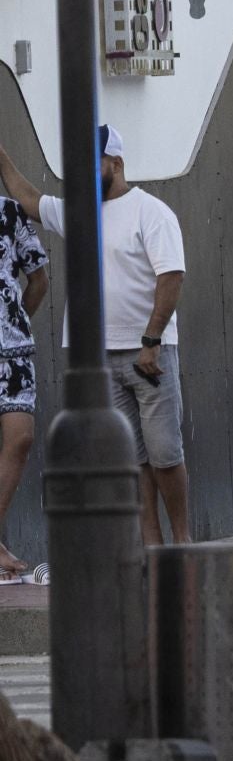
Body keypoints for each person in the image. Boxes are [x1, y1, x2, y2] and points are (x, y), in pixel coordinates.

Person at [0, 125, 188, 545]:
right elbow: (28, 199)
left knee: (164, 454)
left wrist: (152, 341)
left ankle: (183, 541)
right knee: (132, 459)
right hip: (98, 357)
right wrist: (1, 155)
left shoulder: (151, 212)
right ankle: (151, 545)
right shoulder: (79, 212)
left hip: (148, 355)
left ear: (116, 164)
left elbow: (171, 276)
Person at [0, 195, 46, 576]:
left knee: (21, 438)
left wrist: (15, 322)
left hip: (13, 351)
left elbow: (38, 279)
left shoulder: (9, 211)